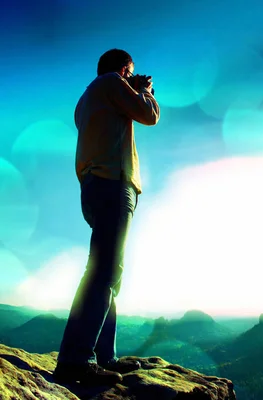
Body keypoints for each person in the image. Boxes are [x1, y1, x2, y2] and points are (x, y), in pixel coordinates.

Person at [53, 49, 160, 385]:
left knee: (107, 272)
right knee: (104, 271)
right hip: (112, 184)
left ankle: (103, 356)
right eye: (131, 72)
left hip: (94, 186)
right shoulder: (113, 82)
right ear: (123, 69)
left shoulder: (86, 99)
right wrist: (145, 91)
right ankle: (76, 359)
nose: (132, 77)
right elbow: (148, 115)